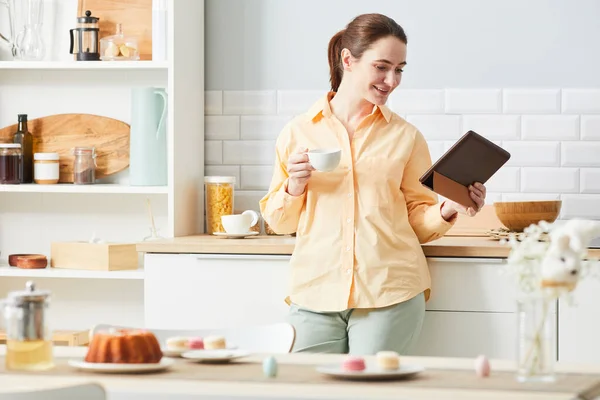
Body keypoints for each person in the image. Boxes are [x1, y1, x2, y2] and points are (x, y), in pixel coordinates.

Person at [259, 13, 487, 355]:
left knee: (371, 391)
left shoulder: (406, 137)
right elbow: (279, 223)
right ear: (348, 60)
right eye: (382, 67)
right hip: (315, 291)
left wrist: (447, 207)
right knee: (304, 388)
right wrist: (294, 186)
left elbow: (417, 221)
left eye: (399, 69)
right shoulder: (297, 132)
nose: (391, 80)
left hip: (390, 291)